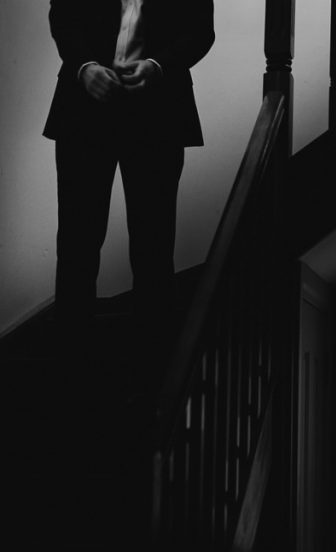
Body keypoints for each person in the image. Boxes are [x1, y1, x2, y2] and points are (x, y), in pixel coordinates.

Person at [43, 0, 215, 382]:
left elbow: (202, 32)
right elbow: (63, 16)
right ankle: (69, 367)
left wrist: (158, 66)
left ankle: (154, 372)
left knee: (153, 246)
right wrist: (84, 67)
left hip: (158, 112)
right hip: (84, 110)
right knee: (77, 242)